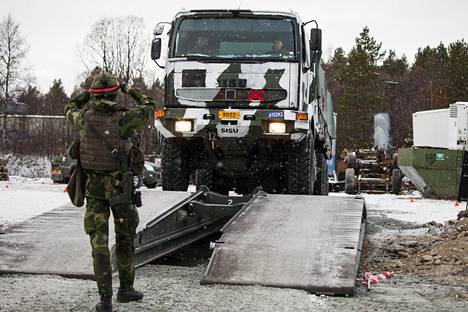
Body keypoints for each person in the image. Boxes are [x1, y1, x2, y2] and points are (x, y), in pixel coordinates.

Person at [65, 72, 156, 312]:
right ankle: (125, 289)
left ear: (93, 95)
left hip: (94, 191)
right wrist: (129, 89)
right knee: (125, 238)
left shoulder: (82, 119)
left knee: (99, 244)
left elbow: (70, 105)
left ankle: (105, 300)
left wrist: (88, 94)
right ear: (116, 93)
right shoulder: (125, 119)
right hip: (120, 188)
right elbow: (150, 105)